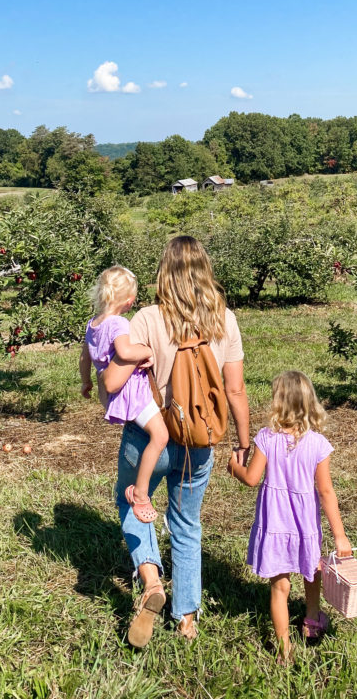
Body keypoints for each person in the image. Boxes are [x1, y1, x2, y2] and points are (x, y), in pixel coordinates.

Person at [117, 236, 251, 647]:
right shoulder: (224, 319)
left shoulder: (147, 318)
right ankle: (187, 617)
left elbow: (119, 378)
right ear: (205, 271)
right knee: (187, 524)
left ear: (164, 274)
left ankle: (152, 579)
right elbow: (235, 390)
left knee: (131, 502)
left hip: (149, 437)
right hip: (200, 441)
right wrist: (242, 444)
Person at [228, 370, 352, 663]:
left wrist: (234, 467)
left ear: (278, 402)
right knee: (312, 570)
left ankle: (284, 650)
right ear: (310, 403)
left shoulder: (267, 438)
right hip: (304, 524)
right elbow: (326, 492)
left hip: (275, 523)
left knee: (280, 586)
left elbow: (251, 478)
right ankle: (311, 619)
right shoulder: (318, 444)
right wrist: (339, 535)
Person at [80, 266, 169, 523]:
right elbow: (126, 352)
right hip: (132, 394)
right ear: (129, 300)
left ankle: (138, 485)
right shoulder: (119, 323)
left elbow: (84, 357)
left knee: (148, 434)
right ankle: (140, 492)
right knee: (160, 436)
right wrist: (147, 350)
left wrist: (85, 382)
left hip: (110, 394)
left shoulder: (93, 323)